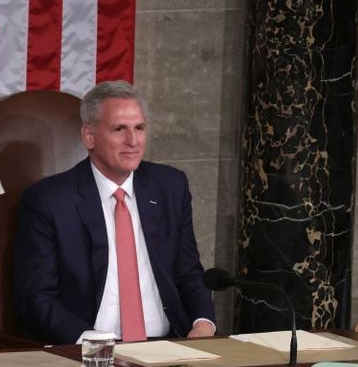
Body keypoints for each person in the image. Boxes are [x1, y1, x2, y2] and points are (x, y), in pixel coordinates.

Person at [14, 80, 216, 344]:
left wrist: (203, 322)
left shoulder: (170, 187)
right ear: (89, 136)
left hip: (168, 345)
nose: (133, 141)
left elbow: (188, 272)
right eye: (119, 129)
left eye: (139, 128)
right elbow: (35, 297)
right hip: (88, 348)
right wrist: (91, 342)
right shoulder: (49, 200)